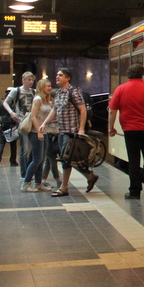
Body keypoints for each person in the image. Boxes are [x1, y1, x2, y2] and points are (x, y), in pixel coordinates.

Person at [109, 63, 144, 199]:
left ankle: (134, 191)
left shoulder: (120, 89)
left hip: (129, 130)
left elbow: (112, 111)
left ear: (128, 75)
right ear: (142, 74)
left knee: (133, 160)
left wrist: (111, 127)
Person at [37, 67, 98, 197]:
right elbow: (54, 110)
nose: (57, 77)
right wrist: (44, 123)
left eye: (60, 75)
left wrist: (81, 129)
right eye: (57, 75)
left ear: (67, 78)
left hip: (71, 132)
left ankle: (64, 188)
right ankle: (90, 177)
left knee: (67, 160)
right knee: (69, 159)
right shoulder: (58, 93)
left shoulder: (73, 92)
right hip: (61, 131)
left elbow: (83, 110)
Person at [21, 79, 53, 192]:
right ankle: (26, 183)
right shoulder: (38, 99)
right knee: (37, 159)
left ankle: (38, 183)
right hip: (35, 132)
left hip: (45, 131)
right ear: (42, 87)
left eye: (50, 86)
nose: (50, 88)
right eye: (48, 86)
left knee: (42, 159)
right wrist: (39, 131)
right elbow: (33, 116)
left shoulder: (46, 100)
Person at [4, 72, 36, 180]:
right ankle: (24, 173)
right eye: (29, 80)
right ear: (23, 80)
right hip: (22, 122)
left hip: (32, 121)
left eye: (32, 80)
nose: (31, 82)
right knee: (25, 148)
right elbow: (5, 102)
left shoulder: (33, 92)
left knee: (33, 148)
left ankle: (29, 170)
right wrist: (11, 112)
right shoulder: (16, 91)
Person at [0, 88, 19, 168]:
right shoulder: (14, 102)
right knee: (13, 144)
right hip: (11, 125)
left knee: (1, 143)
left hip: (2, 124)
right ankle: (12, 161)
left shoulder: (2, 102)